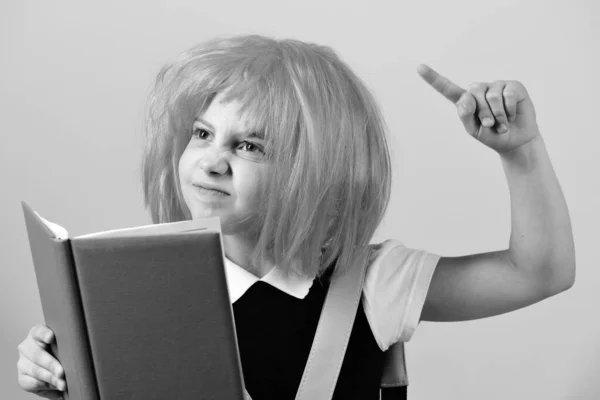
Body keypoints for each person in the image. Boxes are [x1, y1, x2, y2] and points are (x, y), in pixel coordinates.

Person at [16, 35, 575, 399]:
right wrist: (59, 381)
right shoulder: (136, 287)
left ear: (316, 171)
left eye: (250, 146)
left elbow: (539, 273)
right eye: (203, 133)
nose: (212, 161)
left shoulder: (375, 283)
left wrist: (519, 152)